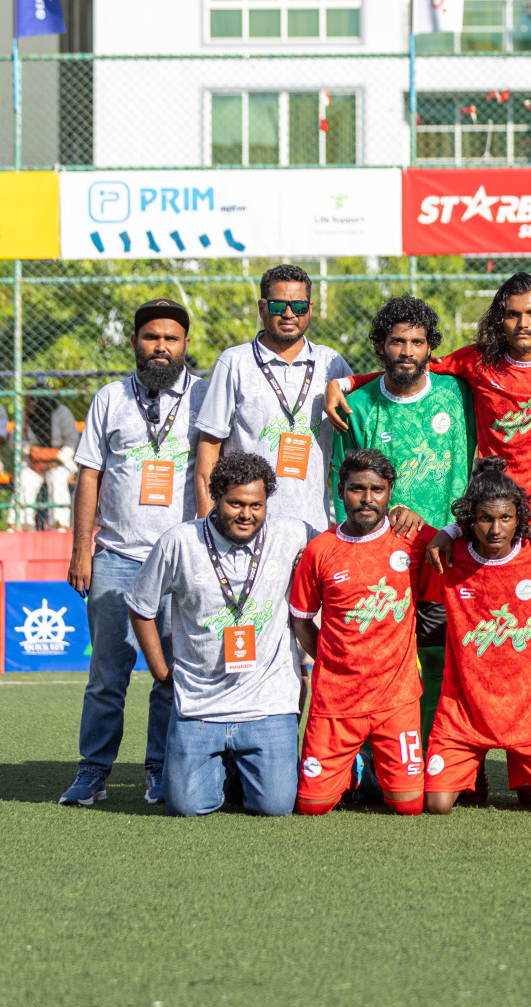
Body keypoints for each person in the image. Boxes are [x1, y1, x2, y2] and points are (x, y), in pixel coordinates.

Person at [57, 299, 207, 807]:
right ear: (135, 343)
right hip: (117, 558)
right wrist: (83, 550)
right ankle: (93, 771)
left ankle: (160, 770)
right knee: (106, 678)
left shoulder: (206, 398)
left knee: (172, 676)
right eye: (151, 337)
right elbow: (89, 476)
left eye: (171, 338)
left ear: (186, 344)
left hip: (182, 561)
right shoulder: (110, 398)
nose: (161, 346)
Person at [328, 272, 531, 527]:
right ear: (500, 319)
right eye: (513, 314)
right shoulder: (477, 363)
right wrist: (348, 381)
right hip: (494, 518)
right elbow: (411, 367)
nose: (523, 323)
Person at [127, 453, 316, 817]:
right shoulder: (179, 542)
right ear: (215, 496)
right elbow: (140, 605)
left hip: (267, 703)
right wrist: (160, 672)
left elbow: (341, 545)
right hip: (201, 704)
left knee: (276, 807)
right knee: (186, 808)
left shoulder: (292, 533)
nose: (247, 515)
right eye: (236, 504)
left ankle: (239, 770)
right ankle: (226, 768)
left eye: (256, 505)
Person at [327, 295, 475, 746]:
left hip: (444, 551)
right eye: (396, 342)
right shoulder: (360, 406)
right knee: (375, 657)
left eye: (416, 342)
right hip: (382, 555)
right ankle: (369, 758)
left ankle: (433, 753)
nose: (407, 351)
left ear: (430, 347)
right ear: (381, 346)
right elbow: (344, 482)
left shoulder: (458, 392)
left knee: (438, 660)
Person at [288, 450, 434, 816]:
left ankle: (369, 765)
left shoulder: (415, 539)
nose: (367, 499)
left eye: (376, 489)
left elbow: (468, 545)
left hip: (396, 699)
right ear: (340, 490)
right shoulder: (320, 549)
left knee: (410, 807)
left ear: (390, 492)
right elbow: (301, 619)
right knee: (312, 807)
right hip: (336, 701)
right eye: (356, 489)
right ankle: (354, 769)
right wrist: (331, 659)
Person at [423, 459, 531, 815]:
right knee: (435, 805)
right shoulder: (450, 557)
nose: (495, 529)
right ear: (470, 520)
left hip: (530, 716)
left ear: (520, 518)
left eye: (505, 518)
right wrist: (449, 531)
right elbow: (410, 535)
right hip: (463, 715)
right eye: (485, 519)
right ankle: (474, 772)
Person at [195, 263, 352, 532]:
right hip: (245, 528)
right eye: (278, 306)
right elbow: (208, 450)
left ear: (310, 308)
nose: (289, 314)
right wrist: (208, 525)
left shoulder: (332, 363)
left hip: (311, 528)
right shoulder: (234, 363)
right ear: (262, 308)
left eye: (299, 306)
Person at [10, 395, 79, 530]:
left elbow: (72, 441)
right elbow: (14, 442)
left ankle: (60, 524)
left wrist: (55, 457)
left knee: (58, 480)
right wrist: (31, 451)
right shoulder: (25, 415)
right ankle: (23, 523)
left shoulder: (62, 413)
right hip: (33, 462)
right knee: (24, 480)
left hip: (59, 462)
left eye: (30, 400)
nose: (27, 403)